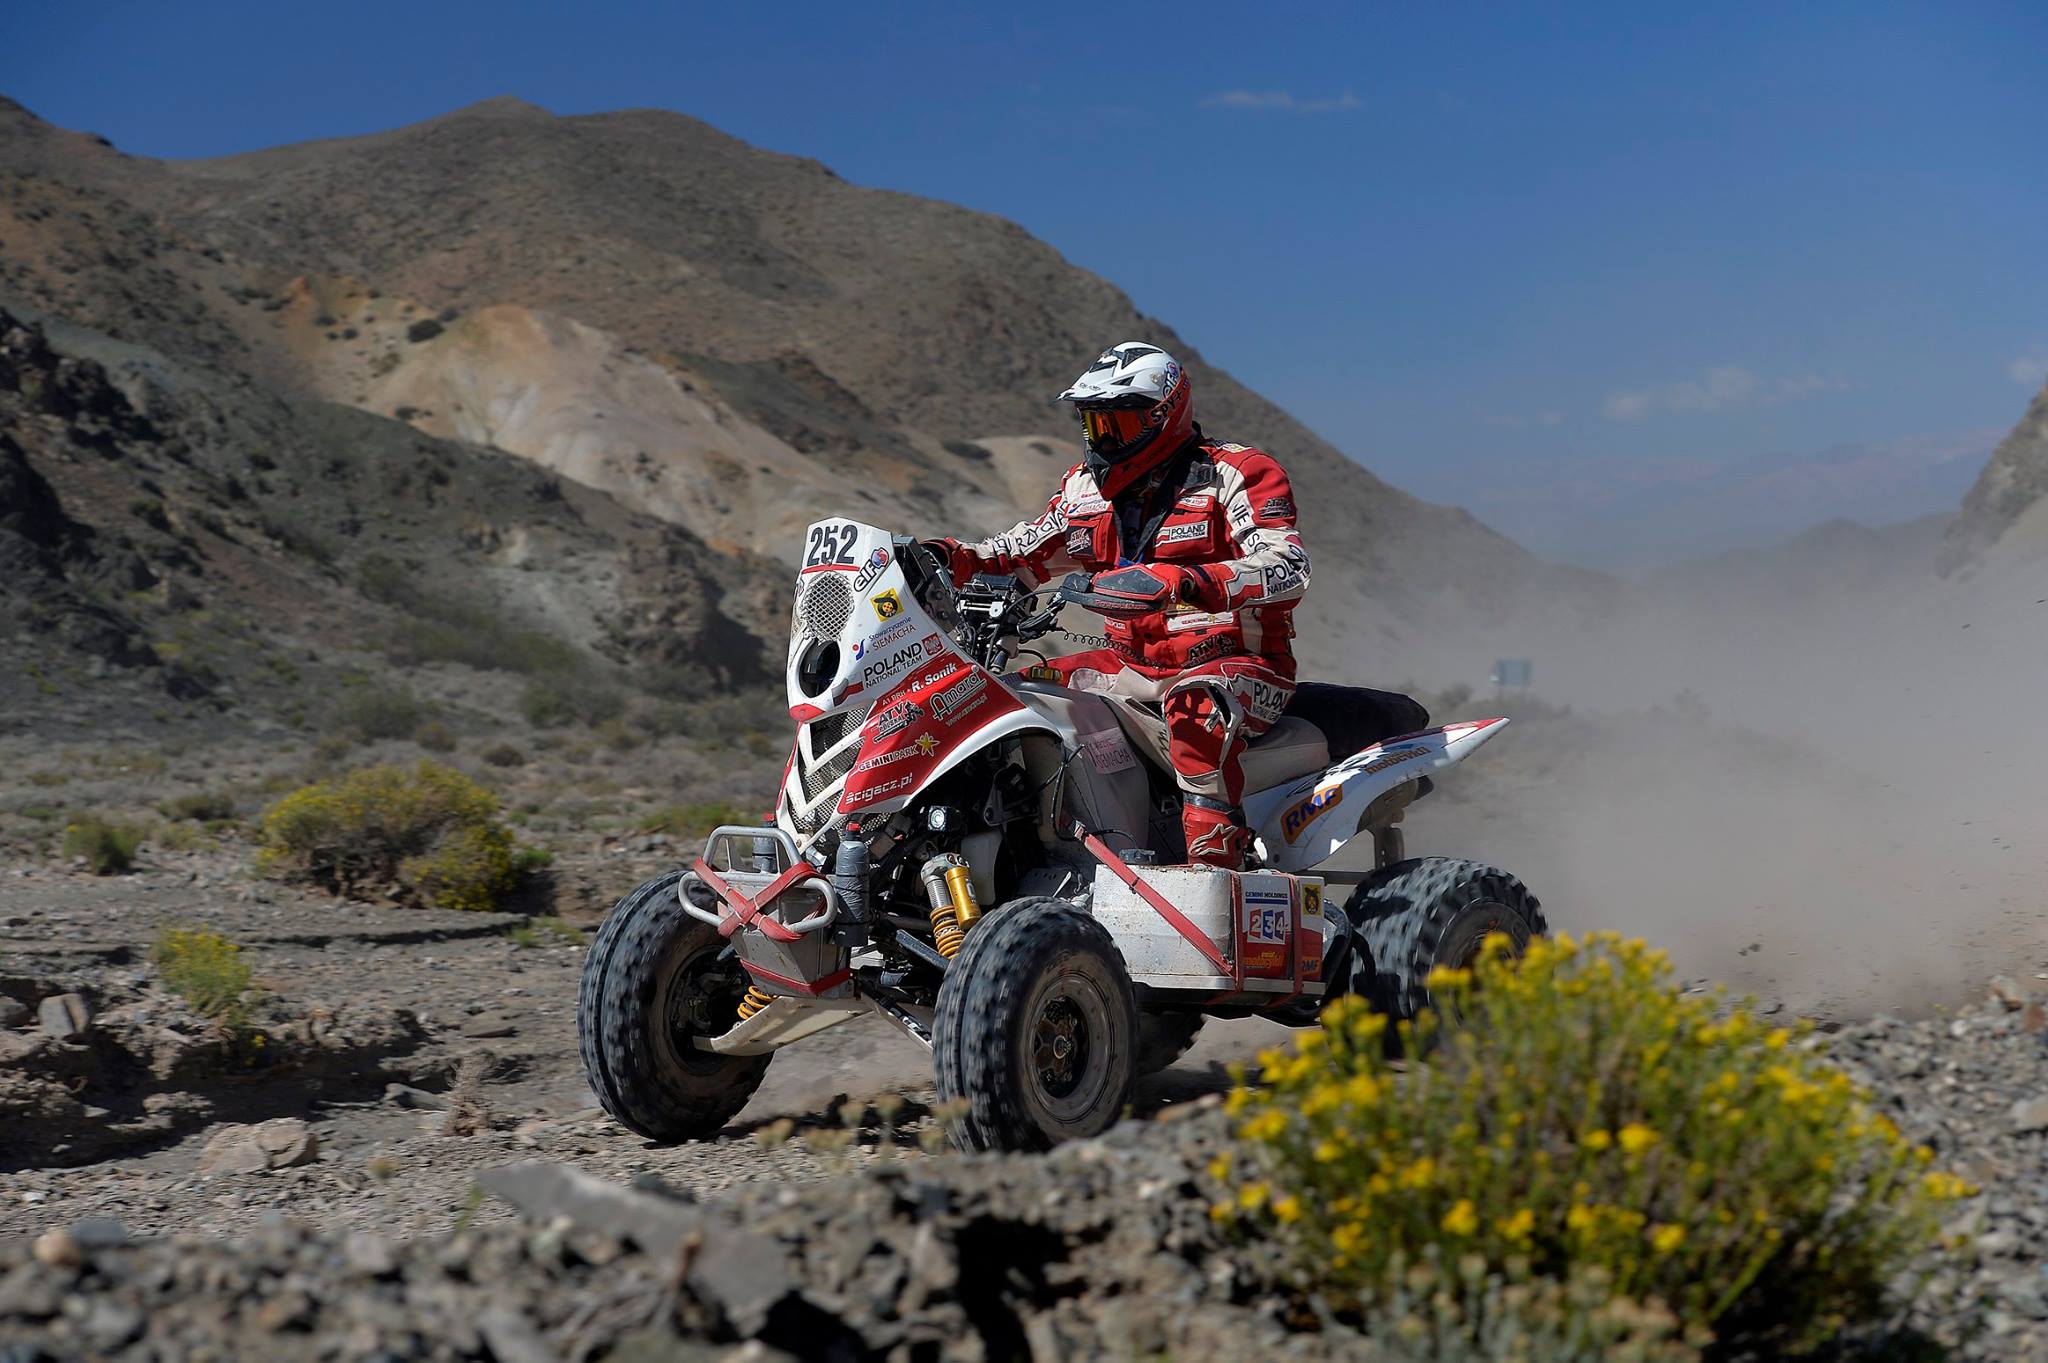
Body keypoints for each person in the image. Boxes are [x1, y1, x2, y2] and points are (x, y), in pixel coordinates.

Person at [929, 342, 1310, 868]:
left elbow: (1289, 565)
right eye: (1093, 424)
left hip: (1238, 665)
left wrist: (1187, 581)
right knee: (999, 699)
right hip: (1127, 665)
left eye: (1118, 425)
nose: (1102, 441)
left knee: (1197, 709)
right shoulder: (1084, 490)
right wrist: (945, 557)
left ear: (1164, 415)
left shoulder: (1235, 473)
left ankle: (1215, 872)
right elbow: (1020, 551)